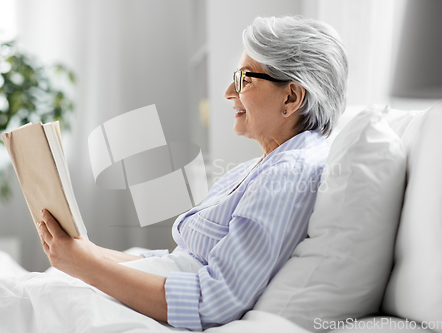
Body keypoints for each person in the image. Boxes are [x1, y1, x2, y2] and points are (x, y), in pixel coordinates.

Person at [37, 15, 348, 331]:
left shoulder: (285, 177)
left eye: (244, 80)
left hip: (159, 308)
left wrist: (85, 266)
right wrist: (88, 254)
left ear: (291, 97)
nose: (229, 92)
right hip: (156, 283)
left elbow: (213, 300)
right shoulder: (262, 167)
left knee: (4, 299)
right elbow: (186, 261)